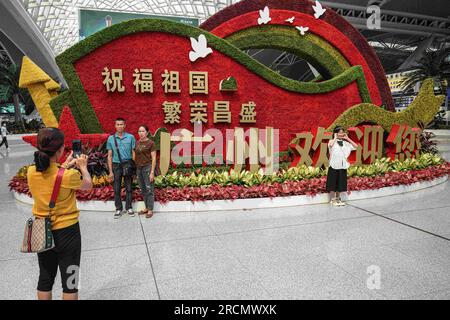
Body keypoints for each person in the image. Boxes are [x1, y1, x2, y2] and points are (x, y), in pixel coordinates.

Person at [27, 127, 92, 300]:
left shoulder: (31, 172)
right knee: (70, 281)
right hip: (67, 232)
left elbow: (50, 177)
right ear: (61, 150)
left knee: (45, 277)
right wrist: (83, 167)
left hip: (42, 229)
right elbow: (87, 185)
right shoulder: (68, 176)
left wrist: (62, 166)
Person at [107, 118, 136, 219]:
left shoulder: (131, 137)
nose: (119, 126)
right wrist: (110, 171)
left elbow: (133, 152)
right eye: (118, 124)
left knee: (128, 187)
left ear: (125, 125)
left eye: (121, 124)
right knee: (116, 188)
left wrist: (133, 166)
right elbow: (109, 156)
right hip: (116, 165)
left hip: (127, 164)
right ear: (115, 126)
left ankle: (129, 207)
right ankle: (118, 209)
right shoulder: (111, 138)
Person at [326, 126, 358, 206]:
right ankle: (332, 199)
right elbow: (330, 145)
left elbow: (356, 146)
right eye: (339, 132)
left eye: (342, 132)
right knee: (332, 182)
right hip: (334, 165)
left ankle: (338, 198)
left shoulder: (346, 143)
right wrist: (335, 137)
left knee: (340, 183)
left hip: (342, 166)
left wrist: (347, 139)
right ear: (335, 133)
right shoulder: (331, 141)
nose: (341, 134)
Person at [135, 125, 157, 218]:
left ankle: (150, 210)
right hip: (139, 168)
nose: (141, 133)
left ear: (147, 132)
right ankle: (147, 208)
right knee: (143, 189)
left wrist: (152, 172)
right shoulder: (137, 143)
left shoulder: (151, 143)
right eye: (139, 131)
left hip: (147, 168)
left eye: (143, 131)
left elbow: (154, 158)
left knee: (149, 189)